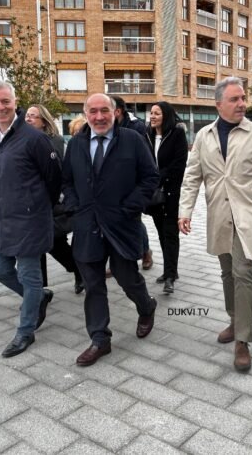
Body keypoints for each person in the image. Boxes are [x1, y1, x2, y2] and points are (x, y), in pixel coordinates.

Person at [178, 77, 252, 372]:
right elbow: (192, 176)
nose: (242, 104)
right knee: (227, 273)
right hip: (219, 215)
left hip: (247, 215)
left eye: (243, 98)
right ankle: (235, 320)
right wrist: (185, 211)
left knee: (243, 272)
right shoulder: (204, 136)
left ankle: (243, 340)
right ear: (218, 104)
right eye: (235, 99)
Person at [62, 93, 159, 367]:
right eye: (93, 111)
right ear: (86, 114)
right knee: (93, 285)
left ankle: (146, 306)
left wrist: (130, 206)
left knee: (127, 277)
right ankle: (99, 339)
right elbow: (66, 180)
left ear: (114, 112)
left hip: (121, 224)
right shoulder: (76, 144)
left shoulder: (132, 140)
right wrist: (74, 207)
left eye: (104, 110)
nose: (99, 116)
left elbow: (150, 177)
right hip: (87, 226)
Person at [0, 81, 62, 358]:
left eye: (5, 101)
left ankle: (26, 331)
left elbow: (54, 178)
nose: (0, 107)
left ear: (15, 102)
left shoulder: (34, 138)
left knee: (29, 275)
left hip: (30, 219)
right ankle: (38, 295)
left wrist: (35, 205)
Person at [25, 104, 84, 295]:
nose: (28, 119)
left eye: (33, 116)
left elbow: (68, 170)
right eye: (27, 115)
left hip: (54, 201)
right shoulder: (21, 140)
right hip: (30, 202)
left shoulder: (57, 142)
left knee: (55, 243)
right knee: (37, 247)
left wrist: (65, 195)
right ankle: (39, 290)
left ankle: (79, 271)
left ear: (44, 121)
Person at [145, 101, 188, 294]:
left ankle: (170, 276)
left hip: (170, 193)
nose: (152, 116)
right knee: (161, 233)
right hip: (154, 195)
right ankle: (170, 270)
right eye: (151, 113)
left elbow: (179, 164)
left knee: (170, 233)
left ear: (166, 116)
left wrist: (157, 177)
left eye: (157, 113)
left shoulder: (177, 134)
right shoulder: (147, 134)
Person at [111, 95, 153, 270]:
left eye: (106, 109)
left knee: (134, 220)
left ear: (117, 111)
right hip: (112, 183)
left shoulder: (136, 127)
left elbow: (144, 158)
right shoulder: (107, 126)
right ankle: (117, 259)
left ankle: (145, 252)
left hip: (132, 182)